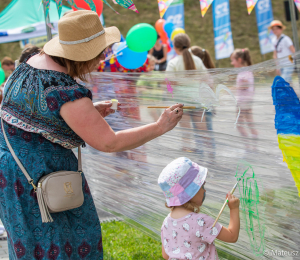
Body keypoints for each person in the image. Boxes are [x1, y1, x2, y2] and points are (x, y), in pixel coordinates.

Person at [0, 10, 183, 259]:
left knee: (30, 244)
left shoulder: (27, 66)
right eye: (99, 55)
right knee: (65, 244)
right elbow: (109, 142)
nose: (100, 60)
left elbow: (35, 116)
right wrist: (160, 126)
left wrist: (86, 115)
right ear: (83, 56)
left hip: (13, 175)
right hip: (44, 179)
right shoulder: (65, 90)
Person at [158, 157, 240, 260]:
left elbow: (166, 255)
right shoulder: (201, 222)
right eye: (202, 186)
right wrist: (234, 209)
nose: (204, 191)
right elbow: (232, 236)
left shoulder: (166, 223)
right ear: (192, 191)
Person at [231, 48, 258, 139]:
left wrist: (233, 89)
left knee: (239, 125)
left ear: (239, 60)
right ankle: (254, 144)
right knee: (250, 123)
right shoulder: (246, 71)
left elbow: (246, 85)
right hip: (246, 102)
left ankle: (248, 146)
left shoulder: (244, 72)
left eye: (233, 60)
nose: (232, 63)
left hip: (243, 102)